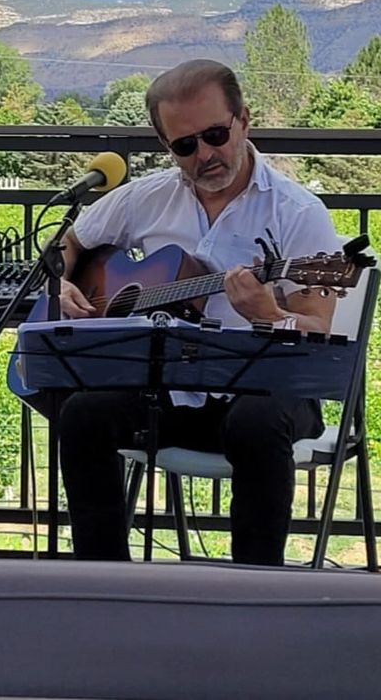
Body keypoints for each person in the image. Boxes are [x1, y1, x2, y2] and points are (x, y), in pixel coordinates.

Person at [56, 59, 340, 566]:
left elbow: (317, 328)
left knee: (256, 423)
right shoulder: (147, 198)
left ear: (244, 121)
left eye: (214, 134)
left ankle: (252, 593)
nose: (205, 154)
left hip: (267, 389)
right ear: (167, 148)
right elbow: (70, 242)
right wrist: (61, 282)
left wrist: (267, 314)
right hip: (166, 389)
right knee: (83, 414)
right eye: (185, 145)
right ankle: (103, 586)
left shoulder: (298, 214)